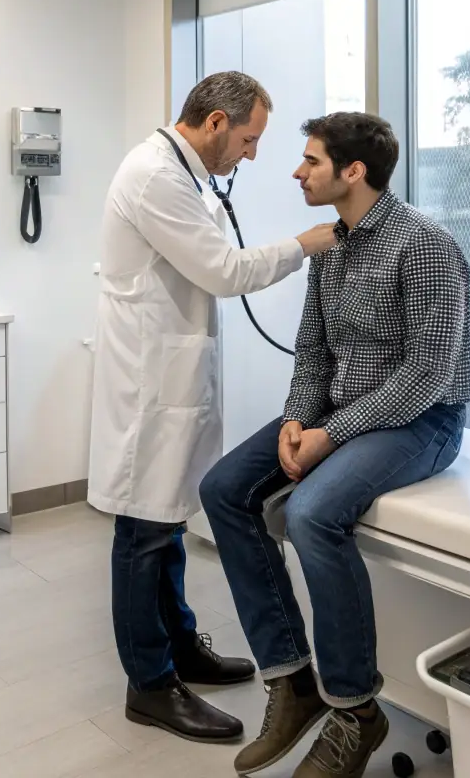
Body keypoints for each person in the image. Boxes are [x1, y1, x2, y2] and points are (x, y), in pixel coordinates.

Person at [200, 112, 470, 778]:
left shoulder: (425, 245)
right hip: (338, 409)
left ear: (353, 171)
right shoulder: (334, 244)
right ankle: (291, 680)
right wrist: (298, 419)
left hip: (421, 420)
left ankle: (354, 709)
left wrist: (330, 435)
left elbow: (426, 373)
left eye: (310, 161)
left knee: (311, 513)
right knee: (222, 490)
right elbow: (313, 349)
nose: (296, 171)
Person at [89, 72, 339, 744]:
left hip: (167, 372)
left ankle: (179, 648)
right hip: (148, 383)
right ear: (216, 122)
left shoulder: (180, 172)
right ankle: (149, 684)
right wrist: (307, 243)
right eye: (250, 138)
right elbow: (224, 273)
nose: (253, 155)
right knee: (143, 532)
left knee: (165, 520)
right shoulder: (154, 177)